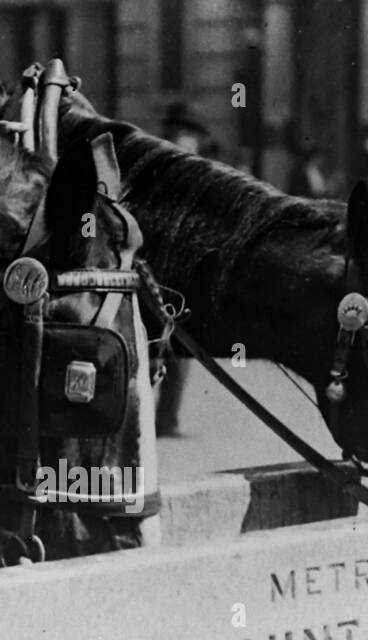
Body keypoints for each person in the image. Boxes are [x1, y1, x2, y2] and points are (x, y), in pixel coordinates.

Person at [155, 101, 215, 437]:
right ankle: (147, 420)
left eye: (190, 135)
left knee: (179, 350)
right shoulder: (161, 168)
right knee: (154, 350)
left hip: (183, 270)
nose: (184, 139)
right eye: (181, 133)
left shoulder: (200, 174)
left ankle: (166, 419)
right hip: (156, 267)